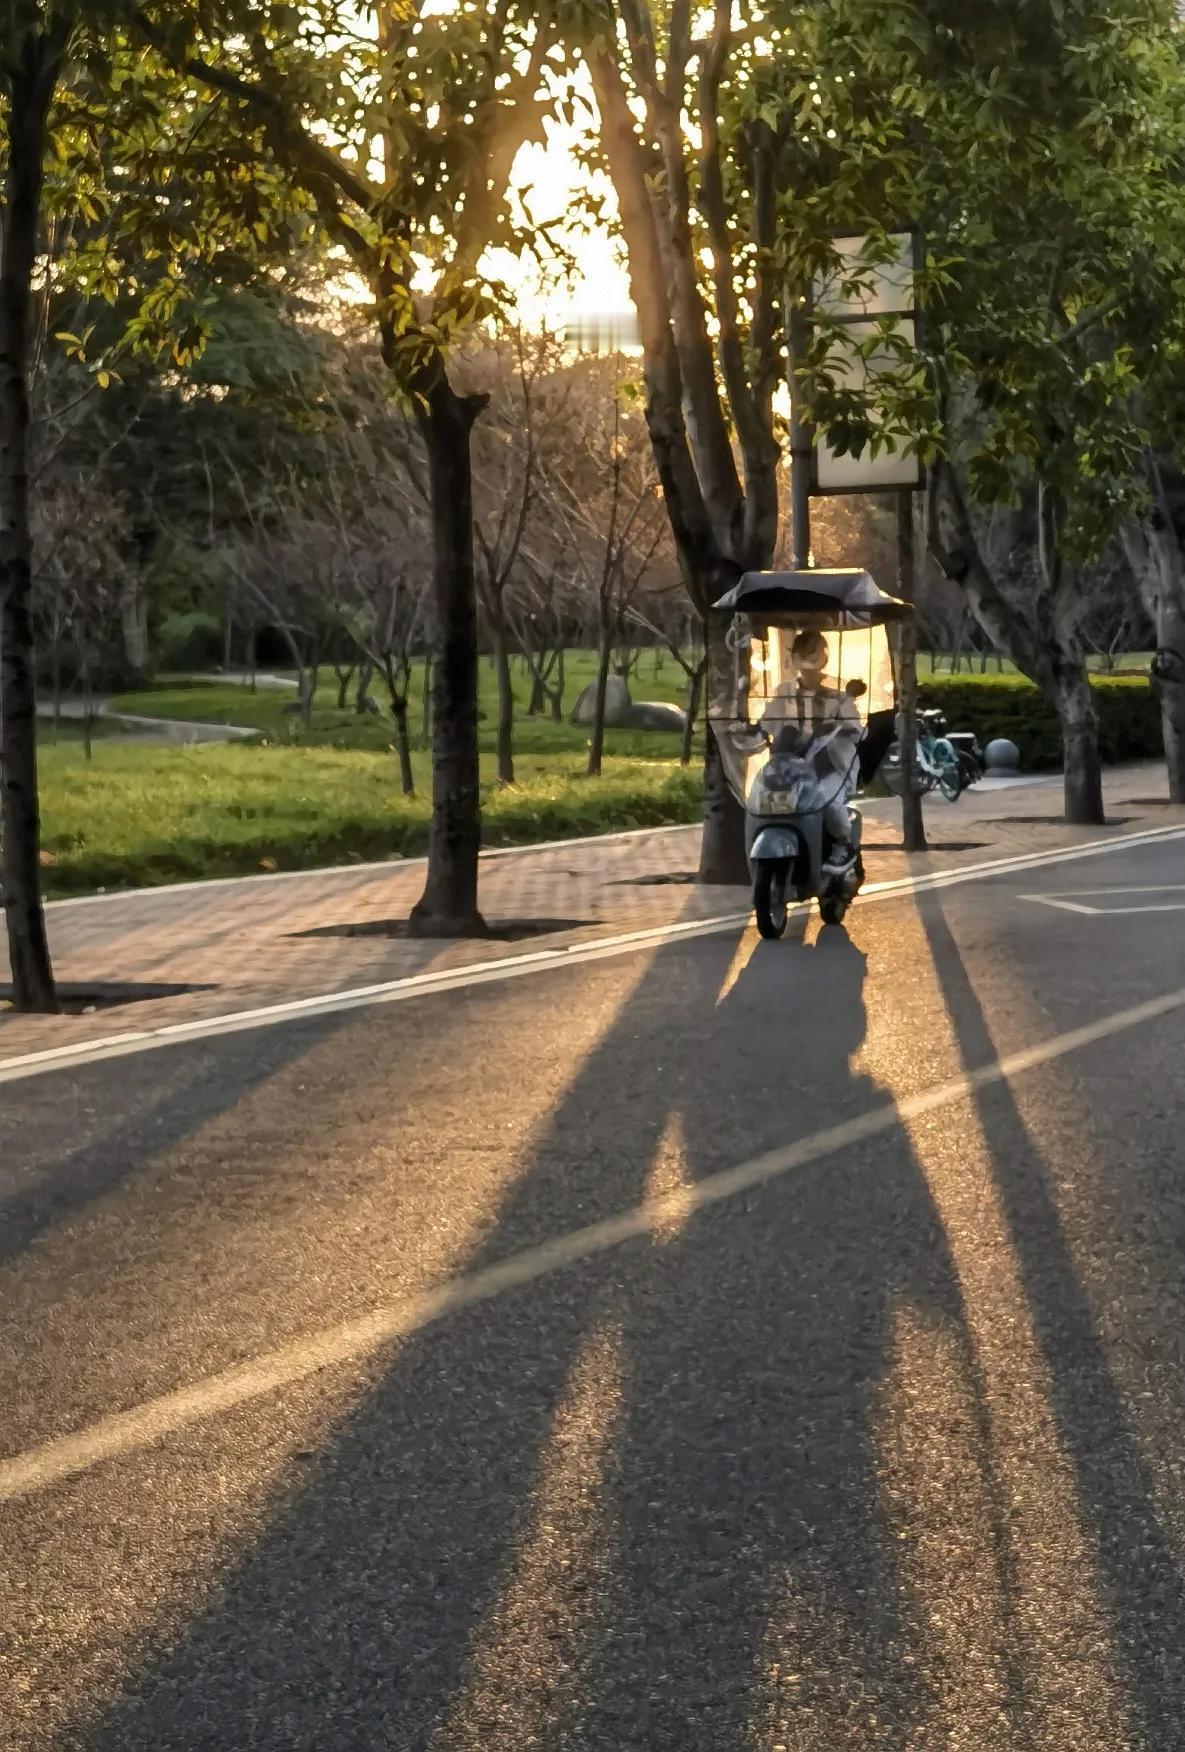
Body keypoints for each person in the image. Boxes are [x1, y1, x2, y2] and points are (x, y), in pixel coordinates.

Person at [760, 629, 863, 874]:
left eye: (814, 651)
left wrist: (844, 726)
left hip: (826, 765)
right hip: (787, 765)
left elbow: (856, 726)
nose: (809, 658)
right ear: (794, 657)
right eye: (803, 652)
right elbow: (766, 721)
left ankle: (843, 844)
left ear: (824, 657)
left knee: (827, 802)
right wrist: (751, 730)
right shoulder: (783, 692)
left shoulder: (837, 693)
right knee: (764, 800)